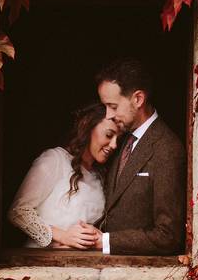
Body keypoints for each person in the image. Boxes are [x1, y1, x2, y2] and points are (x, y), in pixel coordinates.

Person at [81, 59, 186, 255]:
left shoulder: (167, 148)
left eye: (112, 106)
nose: (108, 115)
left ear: (138, 99)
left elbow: (168, 235)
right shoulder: (123, 140)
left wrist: (104, 241)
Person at [8, 103, 122, 249]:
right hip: (40, 260)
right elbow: (18, 211)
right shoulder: (55, 159)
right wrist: (62, 236)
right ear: (89, 128)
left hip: (80, 263)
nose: (114, 145)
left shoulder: (99, 176)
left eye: (118, 139)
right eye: (109, 135)